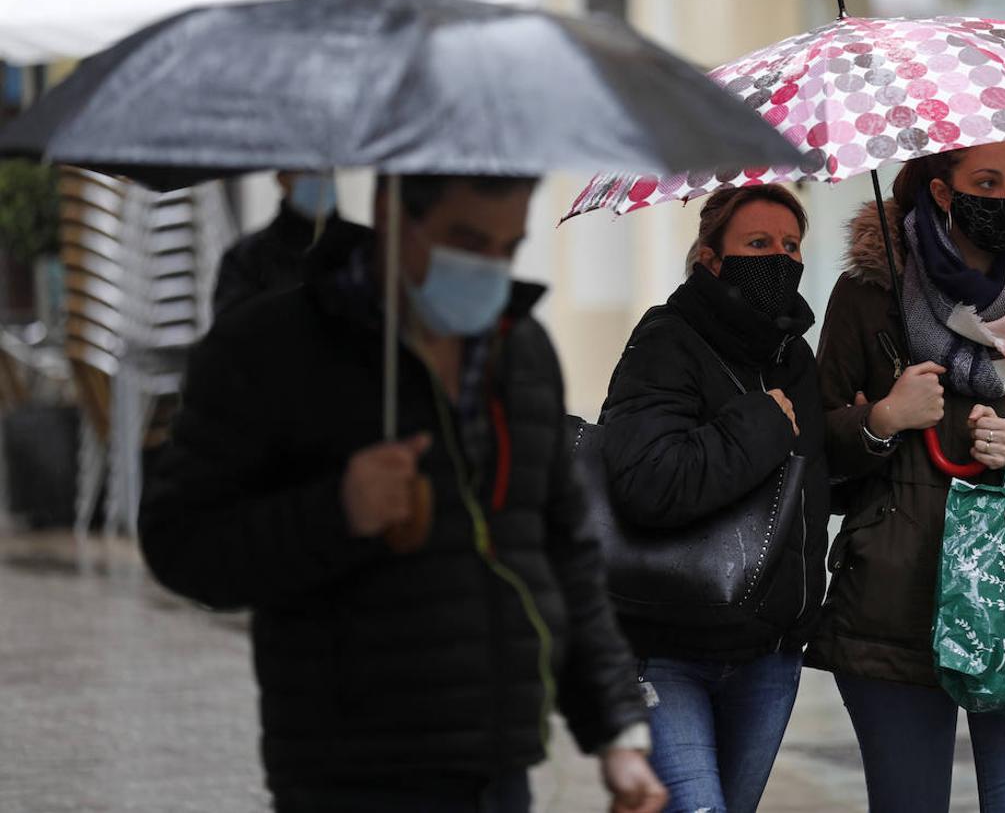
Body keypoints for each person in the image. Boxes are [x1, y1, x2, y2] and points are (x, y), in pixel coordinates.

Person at [139, 174, 666, 813]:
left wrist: (616, 730)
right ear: (392, 213)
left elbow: (565, 554)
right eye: (466, 241)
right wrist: (337, 511)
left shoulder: (520, 351)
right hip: (349, 774)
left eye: (508, 246)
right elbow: (181, 541)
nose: (487, 267)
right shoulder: (269, 348)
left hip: (498, 764)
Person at [810, 139, 1005, 813]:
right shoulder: (871, 292)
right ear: (940, 190)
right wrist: (883, 420)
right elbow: (813, 451)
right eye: (985, 181)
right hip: (895, 609)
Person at [596, 184, 830, 813]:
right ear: (710, 259)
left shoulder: (795, 360)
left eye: (791, 246)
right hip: (667, 647)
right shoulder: (665, 341)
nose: (780, 260)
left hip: (765, 655)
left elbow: (812, 489)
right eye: (758, 244)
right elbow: (650, 481)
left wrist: (878, 426)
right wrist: (760, 425)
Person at [212, 171, 365, 316]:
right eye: (308, 171)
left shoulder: (362, 245)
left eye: (326, 171)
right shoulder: (247, 257)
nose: (320, 179)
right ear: (283, 178)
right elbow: (231, 327)